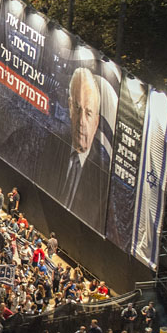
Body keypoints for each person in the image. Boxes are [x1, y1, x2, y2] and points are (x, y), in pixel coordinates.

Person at [52, 66, 108, 232]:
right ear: (69, 107)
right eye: (77, 108)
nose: (82, 121)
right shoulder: (51, 145)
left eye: (88, 113)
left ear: (96, 122)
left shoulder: (102, 181)